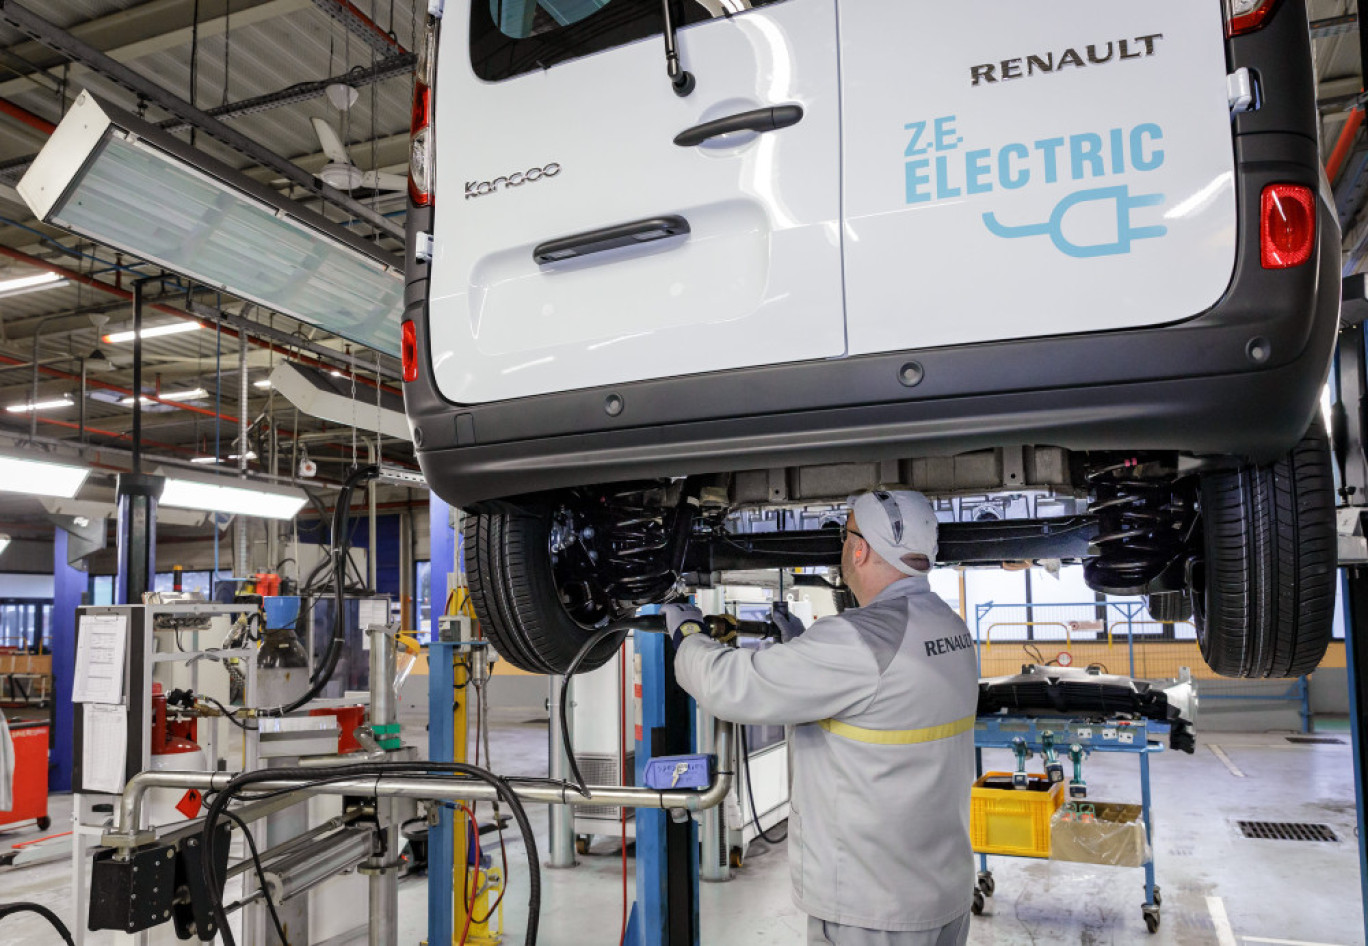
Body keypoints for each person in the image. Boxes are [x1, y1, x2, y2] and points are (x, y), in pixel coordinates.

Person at [665, 489, 979, 946]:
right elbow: (876, 693)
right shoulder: (949, 626)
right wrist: (804, 646)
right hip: (941, 892)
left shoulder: (857, 640)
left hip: (873, 909)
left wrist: (688, 634)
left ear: (860, 548)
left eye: (844, 534)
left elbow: (734, 686)